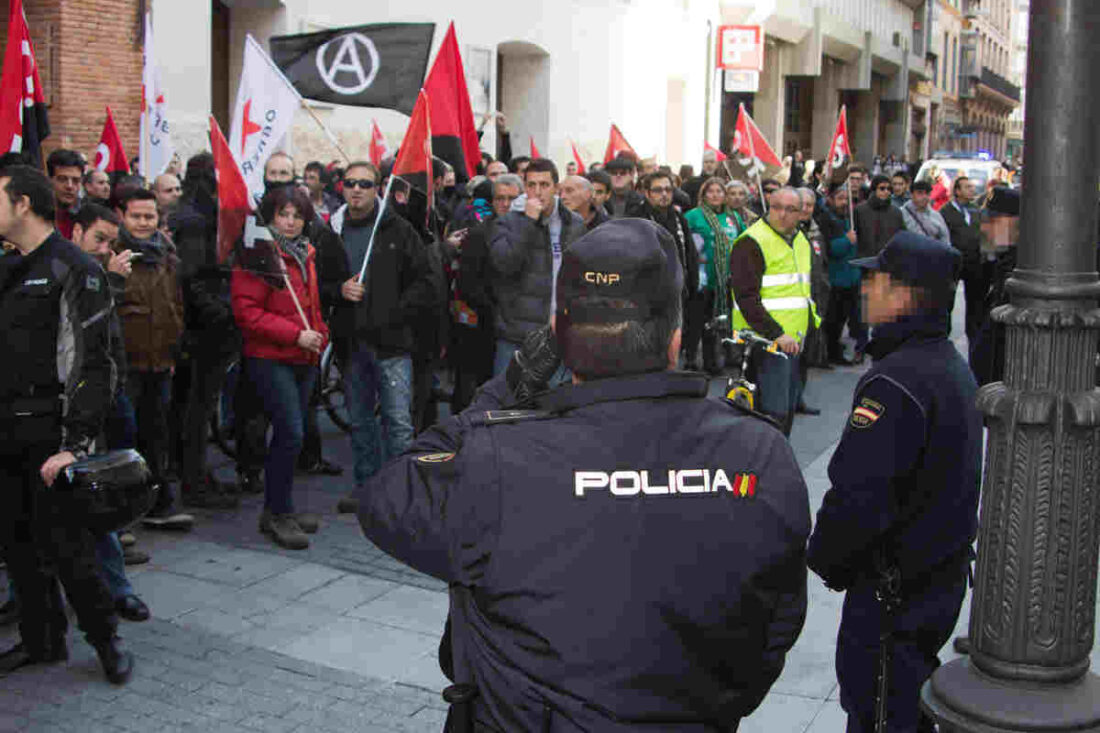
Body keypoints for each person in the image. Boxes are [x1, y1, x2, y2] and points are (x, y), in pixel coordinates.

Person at [354, 218, 810, 731]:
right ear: (676, 339)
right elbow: (776, 621)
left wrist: (512, 384)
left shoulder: (499, 457)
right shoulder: (759, 453)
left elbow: (387, 493)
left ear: (561, 342)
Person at [808, 231, 981, 733]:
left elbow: (859, 498)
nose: (865, 292)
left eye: (875, 281)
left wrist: (826, 558)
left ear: (903, 295)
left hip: (894, 596)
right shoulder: (945, 366)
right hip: (932, 583)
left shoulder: (897, 382)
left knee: (880, 710)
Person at [0, 164, 133, 683]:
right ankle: (42, 641)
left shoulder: (73, 267)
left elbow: (94, 362)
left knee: (70, 551)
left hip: (51, 435)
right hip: (5, 430)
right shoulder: (9, 264)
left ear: (23, 205)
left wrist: (75, 444)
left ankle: (106, 642)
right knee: (17, 547)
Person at [326, 162, 435, 515]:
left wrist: (395, 313)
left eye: (365, 184)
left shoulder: (398, 230)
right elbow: (316, 281)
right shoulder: (332, 230)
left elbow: (425, 282)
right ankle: (367, 488)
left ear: (378, 189)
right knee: (360, 421)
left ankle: (400, 494)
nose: (357, 189)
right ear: (341, 187)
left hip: (391, 345)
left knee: (398, 422)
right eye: (350, 183)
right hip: (351, 343)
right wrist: (338, 289)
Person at [231, 186, 329, 549]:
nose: (289, 222)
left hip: (303, 355)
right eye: (283, 215)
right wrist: (295, 335)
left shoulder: (306, 252)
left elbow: (311, 303)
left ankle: (280, 505)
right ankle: (276, 513)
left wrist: (320, 332)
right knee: (290, 431)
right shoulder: (257, 254)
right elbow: (247, 312)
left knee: (295, 431)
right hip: (270, 357)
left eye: (297, 216)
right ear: (270, 217)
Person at [70, 203, 152, 622]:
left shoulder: (99, 278)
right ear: (76, 233)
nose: (105, 249)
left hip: (96, 402)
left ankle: (117, 589)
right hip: (52, 409)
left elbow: (107, 342)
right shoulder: (63, 274)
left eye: (109, 241)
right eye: (98, 239)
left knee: (97, 498)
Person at [113, 188, 192, 531]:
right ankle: (120, 517)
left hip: (160, 363)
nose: (144, 223)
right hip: (125, 366)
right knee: (123, 439)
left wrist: (173, 350)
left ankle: (159, 505)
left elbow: (174, 307)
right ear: (122, 217)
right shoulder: (112, 257)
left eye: (150, 216)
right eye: (136, 216)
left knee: (156, 435)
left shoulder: (167, 257)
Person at [169, 153, 243, 508]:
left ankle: (193, 474)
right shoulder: (196, 221)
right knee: (197, 408)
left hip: (199, 325)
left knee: (192, 406)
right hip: (204, 330)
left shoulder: (192, 213)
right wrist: (223, 315)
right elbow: (194, 278)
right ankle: (194, 481)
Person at [729, 187, 820, 434]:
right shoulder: (751, 241)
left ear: (801, 213)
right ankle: (763, 469)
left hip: (793, 343)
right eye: (776, 207)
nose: (781, 214)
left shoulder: (800, 239)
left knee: (786, 412)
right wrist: (776, 333)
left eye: (790, 209)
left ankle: (777, 467)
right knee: (770, 415)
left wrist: (811, 327)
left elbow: (805, 288)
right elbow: (747, 298)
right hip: (765, 342)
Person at [488, 158, 585, 375]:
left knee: (555, 404)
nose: (538, 192)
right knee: (508, 404)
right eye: (532, 185)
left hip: (559, 334)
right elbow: (504, 265)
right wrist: (528, 223)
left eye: (544, 185)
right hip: (517, 336)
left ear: (556, 188)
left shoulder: (574, 223)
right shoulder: (508, 222)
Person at [685, 177, 739, 373]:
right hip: (702, 278)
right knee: (697, 321)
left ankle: (713, 361)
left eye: (719, 191)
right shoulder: (693, 216)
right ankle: (690, 359)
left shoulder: (733, 217)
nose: (715, 195)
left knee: (717, 322)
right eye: (711, 191)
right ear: (704, 195)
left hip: (725, 280)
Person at [817, 181, 866, 365]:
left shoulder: (849, 218)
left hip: (850, 277)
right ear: (830, 199)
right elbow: (831, 250)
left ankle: (835, 349)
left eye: (847, 198)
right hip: (835, 278)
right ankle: (830, 353)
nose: (844, 202)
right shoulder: (827, 220)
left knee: (843, 318)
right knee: (833, 320)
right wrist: (847, 240)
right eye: (840, 198)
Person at [940, 176, 986, 341]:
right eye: (967, 187)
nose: (972, 190)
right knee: (947, 302)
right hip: (953, 263)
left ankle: (974, 335)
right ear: (957, 191)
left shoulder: (975, 210)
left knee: (975, 302)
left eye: (972, 187)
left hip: (974, 263)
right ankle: (943, 336)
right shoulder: (945, 212)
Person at [853, 175, 904, 259]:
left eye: (889, 189)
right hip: (865, 261)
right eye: (882, 188)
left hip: (888, 260)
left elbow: (901, 237)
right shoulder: (860, 210)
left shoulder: (896, 212)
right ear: (874, 190)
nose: (886, 191)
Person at [47, 149, 84, 239]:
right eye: (62, 179)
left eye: (76, 181)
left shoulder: (86, 219)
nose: (70, 186)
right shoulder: (34, 217)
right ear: (49, 180)